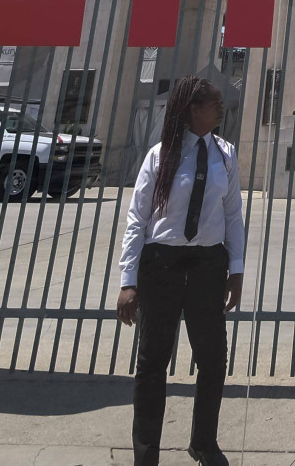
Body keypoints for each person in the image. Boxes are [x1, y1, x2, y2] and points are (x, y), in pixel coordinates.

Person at [118, 75, 247, 466]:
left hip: (208, 267)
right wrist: (128, 280)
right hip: (163, 267)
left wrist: (236, 270)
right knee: (153, 362)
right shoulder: (161, 155)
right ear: (193, 108)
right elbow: (137, 219)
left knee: (212, 359)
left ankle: (203, 442)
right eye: (214, 104)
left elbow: (233, 214)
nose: (220, 110)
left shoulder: (225, 153)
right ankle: (146, 453)